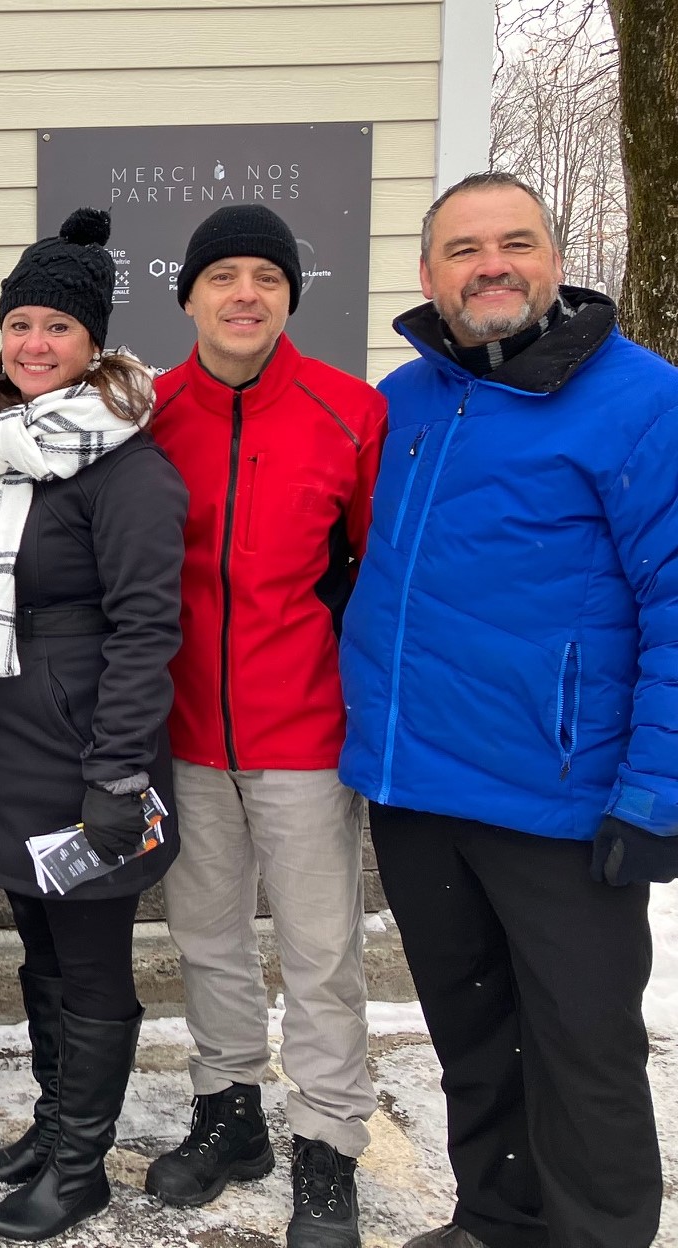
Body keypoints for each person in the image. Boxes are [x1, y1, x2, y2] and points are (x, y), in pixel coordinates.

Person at [340, 171, 677, 1248]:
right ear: (428, 275)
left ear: (556, 259)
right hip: (418, 785)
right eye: (466, 249)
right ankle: (495, 1218)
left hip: (562, 802)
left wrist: (657, 792)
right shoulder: (405, 402)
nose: (493, 266)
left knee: (583, 1053)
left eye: (516, 243)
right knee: (473, 1037)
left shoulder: (643, 402)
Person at [0, 209, 187, 1243]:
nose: (34, 344)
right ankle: (53, 1126)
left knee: (89, 960)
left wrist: (119, 772)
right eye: (21, 324)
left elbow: (146, 628)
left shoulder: (126, 468)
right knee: (38, 949)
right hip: (3, 738)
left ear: (96, 346)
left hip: (87, 747)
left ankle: (81, 1165)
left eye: (58, 328)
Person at [144, 204, 387, 1248]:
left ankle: (326, 1146)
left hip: (304, 736)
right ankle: (229, 1113)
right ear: (189, 293)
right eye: (224, 275)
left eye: (267, 278)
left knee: (322, 950)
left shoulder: (349, 414)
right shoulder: (145, 411)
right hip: (187, 730)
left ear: (291, 296)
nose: (246, 294)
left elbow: (377, 575)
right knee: (206, 940)